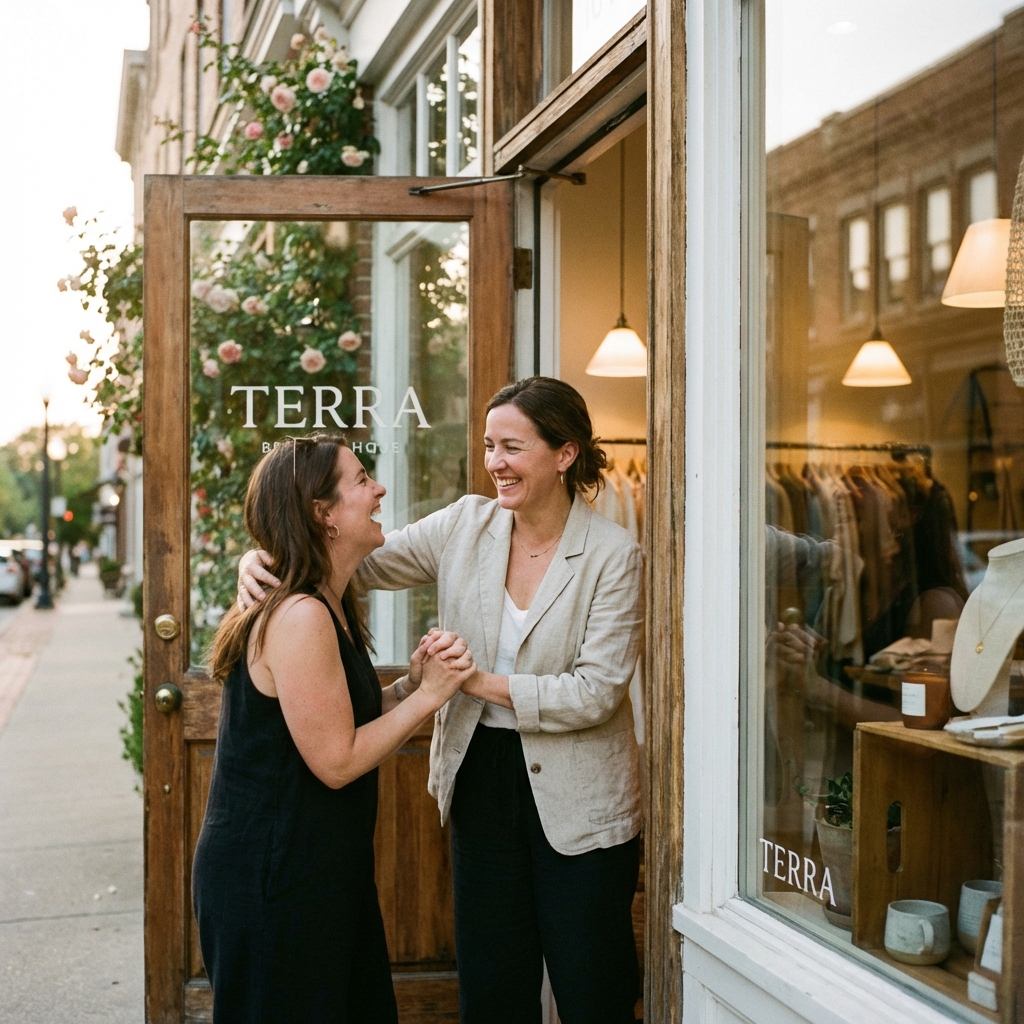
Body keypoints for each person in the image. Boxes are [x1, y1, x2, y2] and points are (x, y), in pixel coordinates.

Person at [240, 377, 644, 1024]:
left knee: (593, 988)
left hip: (583, 798)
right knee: (491, 987)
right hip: (479, 775)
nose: (494, 463)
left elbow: (597, 692)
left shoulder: (614, 556)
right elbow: (351, 557)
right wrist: (260, 559)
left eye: (511, 446)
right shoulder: (464, 523)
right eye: (488, 446)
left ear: (565, 453)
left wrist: (468, 682)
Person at [195, 434, 475, 1024]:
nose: (379, 489)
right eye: (360, 480)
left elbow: (336, 721)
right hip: (274, 880)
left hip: (322, 873)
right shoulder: (299, 615)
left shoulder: (331, 601)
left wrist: (406, 685)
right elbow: (337, 760)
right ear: (323, 515)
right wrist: (427, 698)